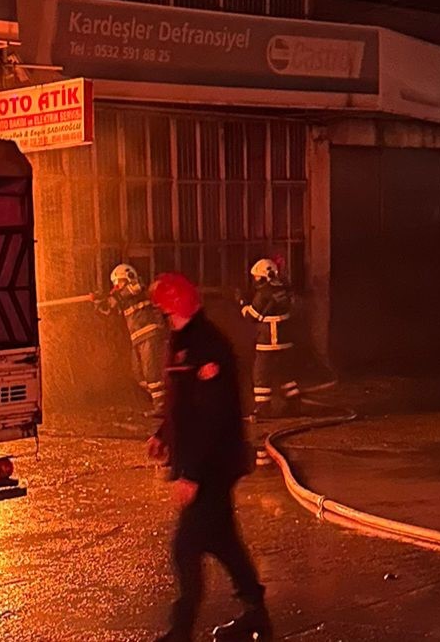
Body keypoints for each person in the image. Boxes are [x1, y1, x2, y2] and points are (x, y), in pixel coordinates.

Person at [147, 273, 271, 642]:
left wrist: (193, 475)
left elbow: (211, 415)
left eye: (165, 310)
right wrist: (162, 435)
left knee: (185, 546)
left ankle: (181, 630)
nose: (162, 317)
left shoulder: (206, 345)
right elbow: (181, 403)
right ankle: (255, 615)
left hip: (212, 465)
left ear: (175, 307)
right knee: (222, 541)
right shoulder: (183, 341)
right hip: (206, 464)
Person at [93, 262, 169, 413]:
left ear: (128, 277)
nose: (116, 286)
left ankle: (161, 406)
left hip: (150, 334)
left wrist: (112, 298)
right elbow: (109, 309)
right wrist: (99, 302)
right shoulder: (122, 298)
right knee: (138, 374)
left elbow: (130, 290)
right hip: (137, 338)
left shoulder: (137, 286)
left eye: (118, 282)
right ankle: (167, 398)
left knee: (151, 372)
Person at [241, 258, 301, 419]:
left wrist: (244, 306)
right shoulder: (284, 289)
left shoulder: (263, 293)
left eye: (256, 277)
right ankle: (294, 404)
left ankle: (262, 408)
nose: (255, 281)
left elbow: (253, 316)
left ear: (263, 276)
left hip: (268, 340)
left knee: (261, 374)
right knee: (285, 373)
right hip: (285, 339)